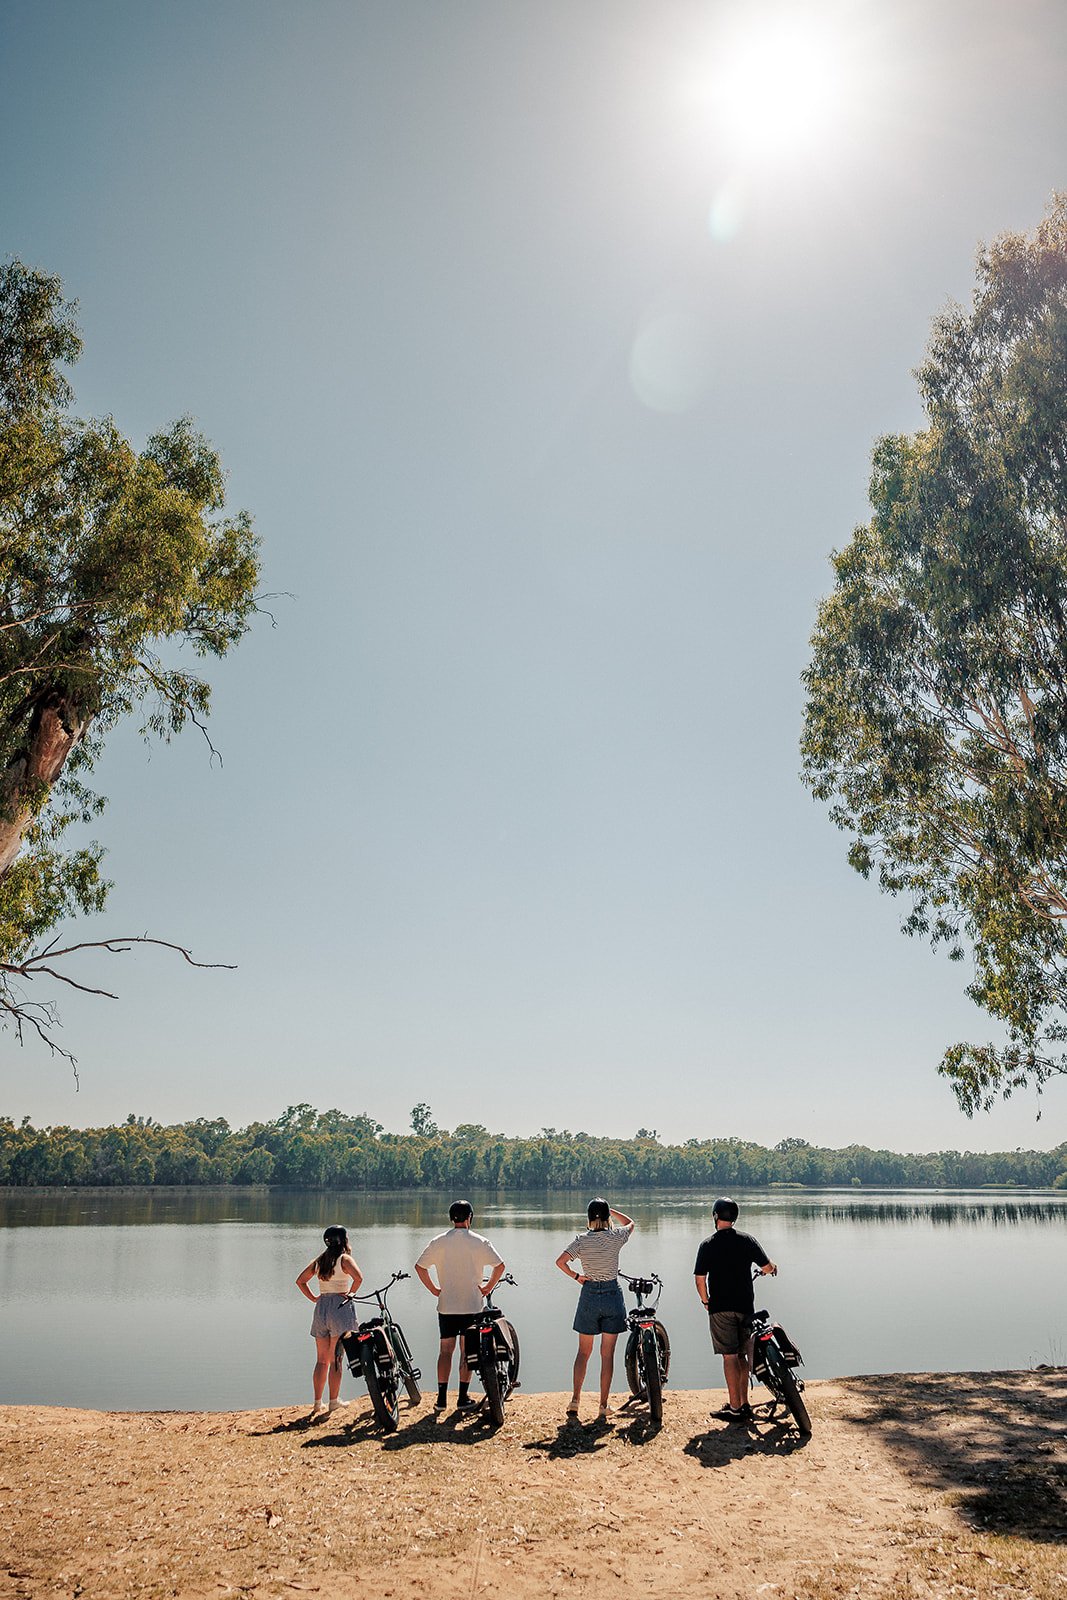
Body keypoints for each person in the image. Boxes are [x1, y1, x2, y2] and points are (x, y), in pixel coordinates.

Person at [414, 1200, 505, 1412]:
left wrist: (434, 1290)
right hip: (471, 1305)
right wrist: (487, 1287)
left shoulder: (438, 1242)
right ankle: (462, 1398)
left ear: (451, 1218)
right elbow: (500, 1267)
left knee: (445, 1351)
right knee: (466, 1352)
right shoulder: (480, 1242)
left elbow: (419, 1267)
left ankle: (441, 1400)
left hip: (446, 1306)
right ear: (470, 1218)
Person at [693, 1196, 777, 1423]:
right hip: (745, 1307)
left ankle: (734, 1407)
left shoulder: (708, 1245)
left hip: (720, 1308)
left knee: (729, 1356)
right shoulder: (747, 1240)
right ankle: (744, 1403)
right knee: (741, 1355)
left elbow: (700, 1279)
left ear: (715, 1216)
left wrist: (705, 1301)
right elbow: (767, 1267)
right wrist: (772, 1269)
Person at [555, 1198, 634, 1422]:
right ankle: (603, 1405)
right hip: (612, 1296)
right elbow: (631, 1223)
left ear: (588, 1219)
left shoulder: (581, 1241)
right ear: (608, 1218)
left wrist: (577, 1276)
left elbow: (560, 1262)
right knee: (606, 1354)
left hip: (589, 1295)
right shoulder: (616, 1237)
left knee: (583, 1352)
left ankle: (575, 1400)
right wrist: (613, 1212)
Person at [295, 1224, 363, 1416]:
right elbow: (359, 1278)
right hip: (340, 1307)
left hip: (321, 1307)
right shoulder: (344, 1259)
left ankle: (317, 1403)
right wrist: (350, 1294)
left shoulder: (320, 1260)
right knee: (336, 1359)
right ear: (344, 1240)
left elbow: (300, 1280)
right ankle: (333, 1401)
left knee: (321, 1360)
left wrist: (314, 1298)